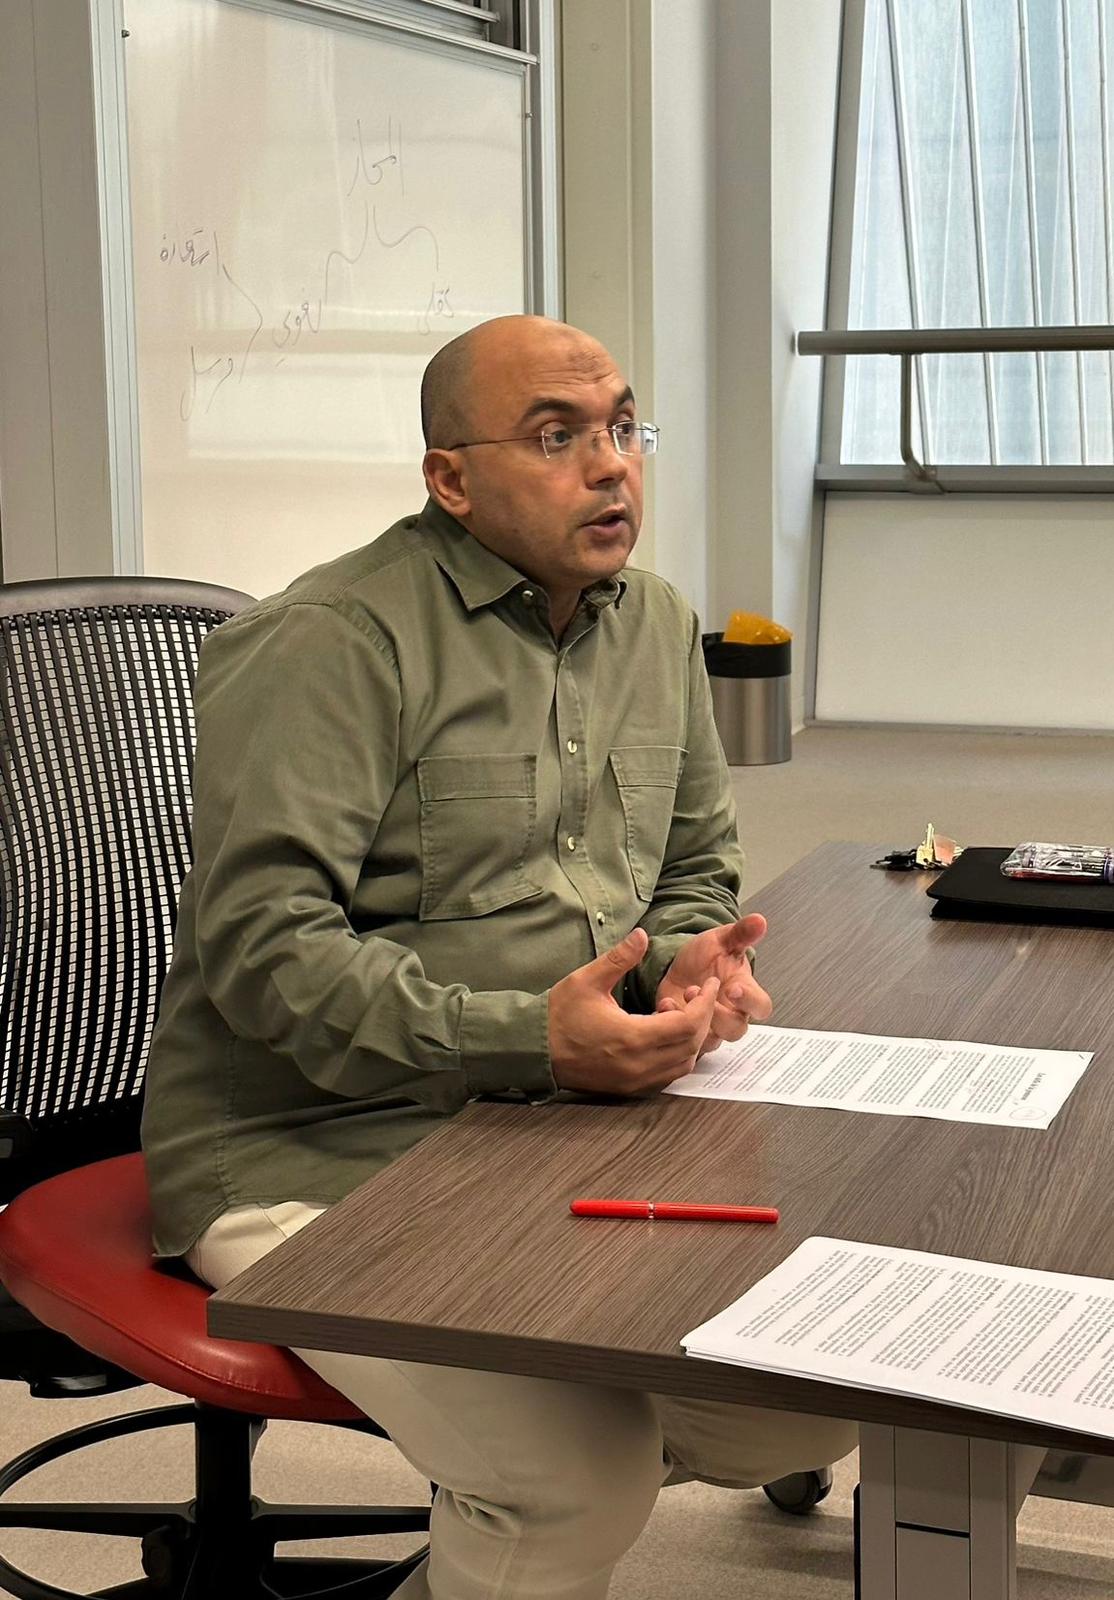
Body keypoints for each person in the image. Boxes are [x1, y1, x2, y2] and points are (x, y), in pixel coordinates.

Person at [141, 314, 855, 1599]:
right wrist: (528, 1038)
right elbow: (262, 953)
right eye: (556, 436)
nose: (611, 464)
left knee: (803, 1396)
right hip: (314, 1144)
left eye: (621, 428)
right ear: (450, 478)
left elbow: (691, 866)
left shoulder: (656, 625)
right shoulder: (333, 640)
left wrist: (680, 959)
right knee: (570, 1479)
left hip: (552, 1121)